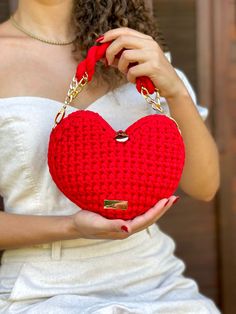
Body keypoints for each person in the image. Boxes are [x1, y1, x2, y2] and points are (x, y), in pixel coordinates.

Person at [0, 0, 220, 313]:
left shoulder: (133, 49)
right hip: (42, 292)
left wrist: (176, 92)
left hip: (157, 283)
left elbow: (204, 186)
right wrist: (71, 226)